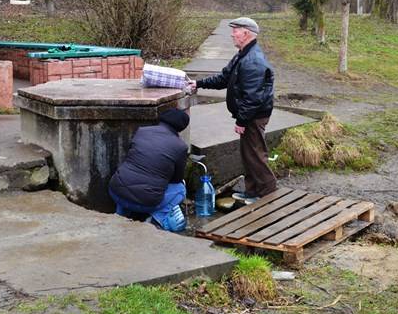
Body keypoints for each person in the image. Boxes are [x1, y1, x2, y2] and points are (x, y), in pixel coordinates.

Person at [187, 17, 275, 204]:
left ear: (246, 33)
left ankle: (268, 195)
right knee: (249, 154)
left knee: (256, 156)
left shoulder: (253, 61)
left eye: (235, 30)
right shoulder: (243, 54)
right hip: (250, 115)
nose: (232, 34)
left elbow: (253, 97)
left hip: (253, 116)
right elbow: (224, 78)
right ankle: (252, 192)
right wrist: (199, 84)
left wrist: (242, 121)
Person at [108, 108, 190, 232]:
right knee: (180, 189)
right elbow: (177, 179)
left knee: (127, 180)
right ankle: (155, 221)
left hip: (115, 193)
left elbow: (131, 156)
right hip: (145, 203)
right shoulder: (180, 146)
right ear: (180, 127)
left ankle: (120, 215)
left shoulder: (142, 131)